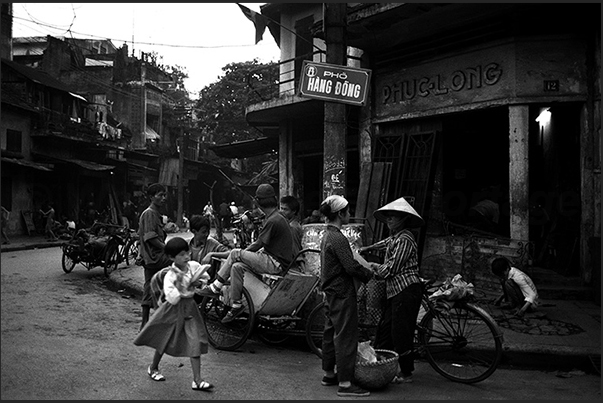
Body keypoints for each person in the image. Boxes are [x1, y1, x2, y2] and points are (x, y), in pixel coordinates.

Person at [198, 184, 294, 324]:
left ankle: (215, 286)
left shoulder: (274, 220)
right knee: (237, 267)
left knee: (236, 254)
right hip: (272, 260)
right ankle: (236, 304)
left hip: (275, 263)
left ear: (258, 201)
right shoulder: (275, 217)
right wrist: (240, 256)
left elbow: (258, 245)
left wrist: (240, 253)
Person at [134, 237, 214, 391]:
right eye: (182, 254)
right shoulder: (171, 275)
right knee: (164, 338)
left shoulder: (191, 267)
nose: (186, 257)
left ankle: (197, 380)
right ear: (171, 257)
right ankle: (153, 367)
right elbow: (171, 294)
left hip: (190, 308)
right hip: (173, 309)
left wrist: (198, 282)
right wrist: (182, 288)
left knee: (195, 341)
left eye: (187, 253)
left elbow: (203, 278)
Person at [360, 196, 425, 384]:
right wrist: (367, 248)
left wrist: (372, 267)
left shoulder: (405, 239)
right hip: (395, 292)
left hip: (406, 290)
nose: (389, 220)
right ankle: (382, 367)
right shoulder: (395, 237)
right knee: (385, 330)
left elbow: (391, 269)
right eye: (387, 217)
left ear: (403, 219)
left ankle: (406, 372)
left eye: (393, 217)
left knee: (400, 332)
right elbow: (383, 244)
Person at [318, 195, 374, 397]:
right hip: (342, 292)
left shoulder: (326, 236)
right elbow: (350, 266)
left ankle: (329, 374)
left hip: (331, 292)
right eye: (348, 211)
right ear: (340, 214)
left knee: (330, 332)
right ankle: (346, 383)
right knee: (345, 337)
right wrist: (369, 273)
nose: (349, 214)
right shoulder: (338, 237)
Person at [138, 183, 173, 330]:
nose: (163, 198)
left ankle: (145, 323)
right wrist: (168, 250)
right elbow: (150, 237)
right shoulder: (150, 213)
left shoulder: (154, 213)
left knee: (149, 287)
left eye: (164, 195)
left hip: (150, 258)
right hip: (155, 257)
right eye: (160, 195)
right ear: (151, 197)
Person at [188, 215, 231, 285]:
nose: (206, 234)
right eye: (203, 232)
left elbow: (230, 253)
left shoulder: (212, 244)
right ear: (194, 231)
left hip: (207, 285)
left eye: (208, 231)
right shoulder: (187, 245)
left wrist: (211, 254)